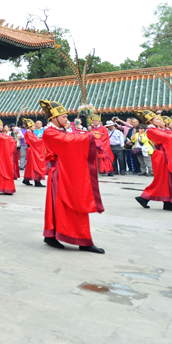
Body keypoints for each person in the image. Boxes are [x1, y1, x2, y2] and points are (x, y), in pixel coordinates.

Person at [39, 99, 104, 253]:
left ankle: (79, 238)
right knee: (62, 205)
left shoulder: (62, 131)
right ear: (54, 118)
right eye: (63, 117)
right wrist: (88, 137)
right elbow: (68, 142)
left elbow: (72, 139)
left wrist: (87, 135)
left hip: (69, 171)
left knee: (76, 201)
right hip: (60, 173)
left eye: (66, 117)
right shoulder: (50, 132)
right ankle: (55, 235)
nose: (66, 119)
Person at [134, 110, 172, 212]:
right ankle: (146, 198)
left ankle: (165, 202)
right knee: (163, 180)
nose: (159, 120)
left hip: (165, 155)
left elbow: (170, 135)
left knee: (166, 180)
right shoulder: (151, 131)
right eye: (157, 119)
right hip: (162, 156)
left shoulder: (158, 129)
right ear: (150, 121)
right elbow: (167, 138)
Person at [0, 117, 18, 194]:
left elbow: (6, 137)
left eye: (2, 125)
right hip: (0, 153)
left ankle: (0, 187)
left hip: (4, 153)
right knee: (0, 170)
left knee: (5, 169)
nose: (2, 127)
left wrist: (11, 137)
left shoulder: (0, 133)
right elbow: (5, 139)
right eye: (0, 125)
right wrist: (11, 138)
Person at [21, 118, 46, 187]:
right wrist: (43, 140)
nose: (35, 127)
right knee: (35, 165)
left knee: (31, 166)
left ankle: (27, 179)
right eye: (34, 126)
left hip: (33, 150)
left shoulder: (31, 133)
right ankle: (37, 180)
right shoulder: (28, 134)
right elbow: (35, 142)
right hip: (33, 150)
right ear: (30, 127)